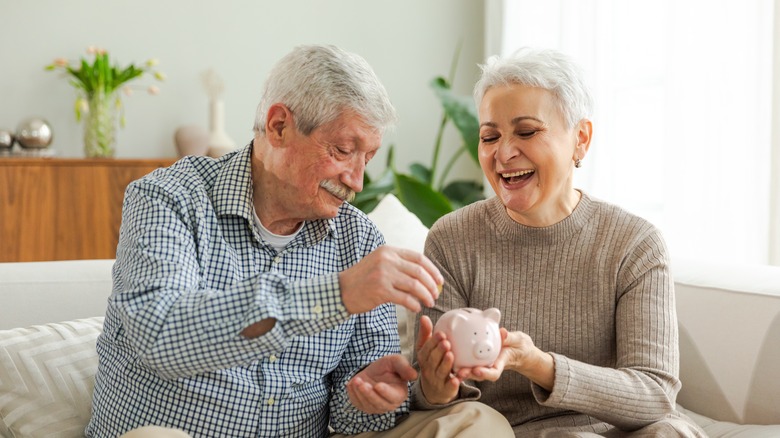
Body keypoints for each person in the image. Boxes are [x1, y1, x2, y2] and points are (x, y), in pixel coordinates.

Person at [87, 44, 512, 438]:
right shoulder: (169, 198)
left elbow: (353, 420)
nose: (357, 180)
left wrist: (370, 396)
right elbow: (160, 337)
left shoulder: (359, 239)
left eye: (369, 158)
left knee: (479, 423)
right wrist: (339, 294)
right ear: (278, 127)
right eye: (344, 150)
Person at [412, 47, 707, 437]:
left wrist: (537, 364)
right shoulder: (452, 241)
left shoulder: (634, 243)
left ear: (580, 139)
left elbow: (654, 395)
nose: (503, 152)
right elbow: (434, 398)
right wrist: (434, 388)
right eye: (489, 136)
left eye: (527, 131)